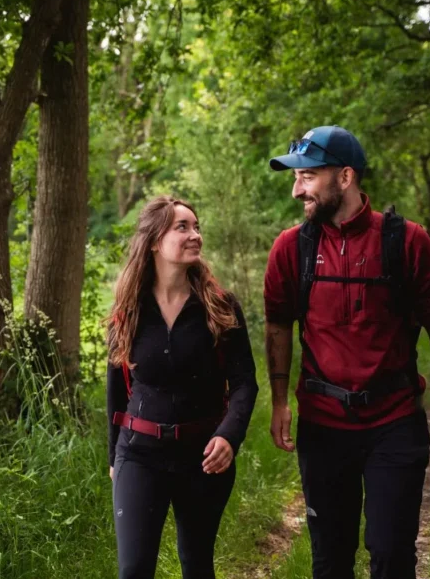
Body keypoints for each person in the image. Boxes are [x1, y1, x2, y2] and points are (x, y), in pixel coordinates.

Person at [263, 125, 430, 579]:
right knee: (330, 558)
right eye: (295, 177)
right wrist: (280, 401)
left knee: (391, 553)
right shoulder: (290, 249)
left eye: (307, 176)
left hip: (394, 423)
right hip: (323, 427)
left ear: (344, 177)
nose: (297, 188)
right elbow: (279, 325)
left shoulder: (407, 241)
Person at [106, 195, 258, 579]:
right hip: (139, 455)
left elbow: (244, 383)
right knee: (134, 569)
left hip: (203, 455)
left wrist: (229, 436)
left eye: (197, 226)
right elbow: (116, 391)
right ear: (155, 241)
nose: (195, 235)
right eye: (183, 227)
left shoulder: (221, 306)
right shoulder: (128, 309)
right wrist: (113, 459)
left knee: (196, 564)